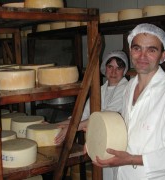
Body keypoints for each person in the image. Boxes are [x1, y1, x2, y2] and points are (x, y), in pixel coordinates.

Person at [93, 23, 165, 180]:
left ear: (163, 55)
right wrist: (98, 140)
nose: (142, 56)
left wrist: (132, 159)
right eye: (137, 48)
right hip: (123, 174)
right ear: (130, 51)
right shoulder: (130, 86)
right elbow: (122, 129)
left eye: (151, 50)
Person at [54, 50, 129, 179]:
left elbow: (104, 118)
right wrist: (55, 125)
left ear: (124, 70)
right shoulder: (99, 90)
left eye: (119, 68)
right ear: (104, 68)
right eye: (110, 66)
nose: (113, 72)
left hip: (119, 143)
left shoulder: (126, 89)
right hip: (101, 140)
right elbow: (82, 116)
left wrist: (71, 129)